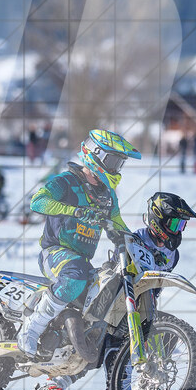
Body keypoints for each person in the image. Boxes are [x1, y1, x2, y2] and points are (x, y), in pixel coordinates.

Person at [24, 191, 196, 390]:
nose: (178, 231)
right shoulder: (134, 238)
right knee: (103, 343)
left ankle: (149, 385)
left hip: (139, 304)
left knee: (165, 335)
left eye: (181, 226)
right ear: (157, 219)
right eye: (174, 225)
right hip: (112, 298)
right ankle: (57, 383)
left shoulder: (174, 255)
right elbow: (118, 266)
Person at [17, 129, 141, 374]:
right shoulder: (65, 181)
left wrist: (137, 242)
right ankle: (31, 327)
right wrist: (74, 211)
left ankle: (60, 376)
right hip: (55, 252)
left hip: (82, 260)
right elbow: (37, 201)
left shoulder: (108, 197)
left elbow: (118, 225)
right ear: (96, 155)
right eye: (114, 161)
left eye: (120, 163)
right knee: (75, 275)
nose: (117, 168)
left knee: (99, 311)